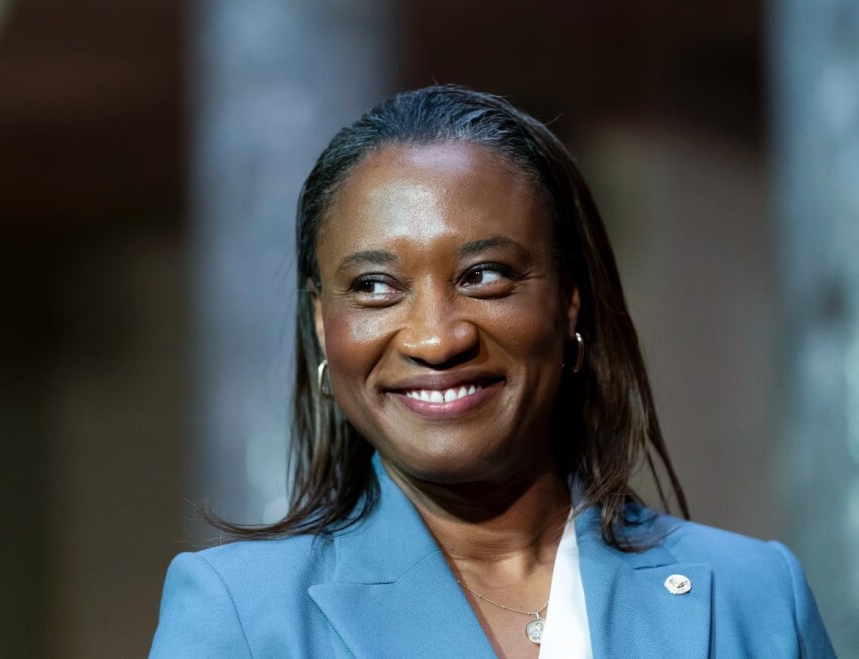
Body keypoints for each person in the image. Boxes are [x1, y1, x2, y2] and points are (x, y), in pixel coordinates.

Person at [149, 85, 834, 658]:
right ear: (323, 320)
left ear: (569, 300)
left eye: (485, 276)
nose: (436, 337)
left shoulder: (755, 593)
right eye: (376, 287)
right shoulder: (238, 616)